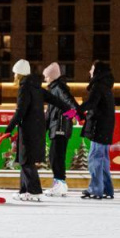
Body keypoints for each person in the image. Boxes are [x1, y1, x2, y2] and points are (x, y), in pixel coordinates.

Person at [0, 60, 75, 201]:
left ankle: (34, 191)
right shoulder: (37, 88)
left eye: (15, 73)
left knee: (26, 160)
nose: (14, 76)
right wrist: (72, 115)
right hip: (37, 128)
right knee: (25, 160)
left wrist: (8, 129)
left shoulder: (25, 88)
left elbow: (20, 111)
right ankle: (24, 190)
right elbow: (59, 102)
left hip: (29, 129)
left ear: (19, 74)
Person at [78, 61, 116, 199]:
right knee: (103, 160)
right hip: (105, 128)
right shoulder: (106, 87)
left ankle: (96, 189)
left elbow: (91, 104)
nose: (90, 71)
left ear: (98, 71)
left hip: (99, 127)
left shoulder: (98, 86)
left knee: (95, 158)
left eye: (92, 69)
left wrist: (73, 112)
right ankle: (106, 188)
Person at [42, 62, 78, 197]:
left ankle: (60, 184)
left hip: (60, 127)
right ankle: (59, 183)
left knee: (56, 156)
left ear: (52, 76)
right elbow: (50, 112)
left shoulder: (59, 87)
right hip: (57, 126)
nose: (45, 79)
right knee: (55, 156)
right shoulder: (54, 88)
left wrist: (66, 117)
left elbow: (72, 104)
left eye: (46, 76)